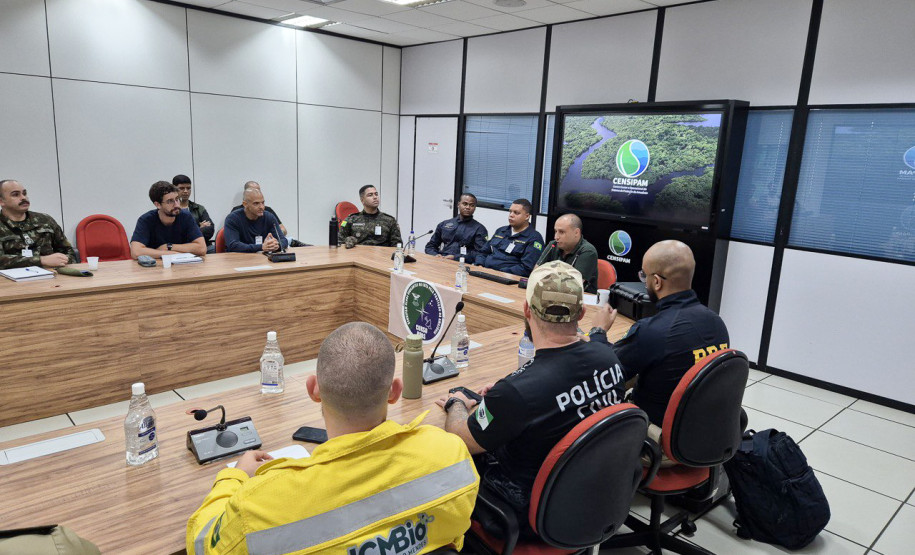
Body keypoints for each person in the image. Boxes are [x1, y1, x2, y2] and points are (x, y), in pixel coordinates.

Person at [186, 322, 480, 555]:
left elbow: (202, 545)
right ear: (395, 391)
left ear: (313, 389)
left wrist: (234, 478)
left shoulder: (260, 504)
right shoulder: (449, 452)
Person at [437, 261, 625, 536]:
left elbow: (459, 435)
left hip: (525, 513)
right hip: (591, 497)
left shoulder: (516, 393)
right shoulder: (609, 357)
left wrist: (456, 402)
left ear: (526, 310)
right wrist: (509, 394)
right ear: (583, 312)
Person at [589, 240, 730, 428]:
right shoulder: (717, 323)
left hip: (658, 433)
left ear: (656, 281)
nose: (644, 281)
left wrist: (598, 332)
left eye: (643, 276)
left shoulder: (652, 330)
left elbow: (607, 371)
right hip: (704, 430)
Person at [0, 179, 77, 270]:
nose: (23, 198)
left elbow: (68, 251)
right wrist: (41, 260)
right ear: (1, 201)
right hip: (11, 281)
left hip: (52, 275)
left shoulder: (45, 220)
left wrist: (62, 261)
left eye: (24, 193)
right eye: (16, 194)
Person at [130, 181, 206, 259]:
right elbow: (136, 252)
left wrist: (169, 246)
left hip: (182, 266)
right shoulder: (146, 220)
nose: (176, 204)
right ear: (158, 204)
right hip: (154, 267)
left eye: (177, 199)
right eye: (170, 201)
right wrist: (169, 254)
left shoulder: (186, 216)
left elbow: (202, 249)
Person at [471, 198, 544, 277]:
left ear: (527, 216)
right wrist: (479, 265)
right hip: (485, 272)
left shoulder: (534, 238)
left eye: (516, 213)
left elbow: (527, 268)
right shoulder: (501, 231)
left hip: (508, 279)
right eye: (510, 211)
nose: (511, 215)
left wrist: (498, 273)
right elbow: (483, 252)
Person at [535, 213, 599, 293]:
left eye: (561, 232)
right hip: (551, 294)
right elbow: (535, 274)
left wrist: (546, 279)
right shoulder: (553, 245)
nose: (556, 237)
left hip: (581, 300)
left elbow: (571, 286)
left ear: (576, 232)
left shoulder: (588, 251)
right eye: (555, 231)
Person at [223, 188, 288, 253]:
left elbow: (284, 240)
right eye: (256, 203)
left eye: (262, 203)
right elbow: (233, 245)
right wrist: (261, 247)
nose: (261, 207)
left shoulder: (269, 217)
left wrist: (276, 245)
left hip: (263, 259)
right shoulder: (233, 218)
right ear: (245, 204)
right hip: (239, 259)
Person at [425, 193, 488, 260]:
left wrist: (456, 257)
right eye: (465, 204)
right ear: (458, 204)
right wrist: (435, 255)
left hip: (463, 263)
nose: (468, 207)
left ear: (475, 208)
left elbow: (481, 253)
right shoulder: (444, 224)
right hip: (442, 260)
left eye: (471, 205)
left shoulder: (479, 229)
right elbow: (430, 246)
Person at [173, 174, 215, 252]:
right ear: (174, 189)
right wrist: (199, 228)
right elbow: (175, 234)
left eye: (188, 188)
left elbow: (210, 229)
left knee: (214, 249)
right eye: (181, 188)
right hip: (178, 248)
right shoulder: (171, 209)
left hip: (201, 246)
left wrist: (189, 234)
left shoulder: (198, 208)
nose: (186, 191)